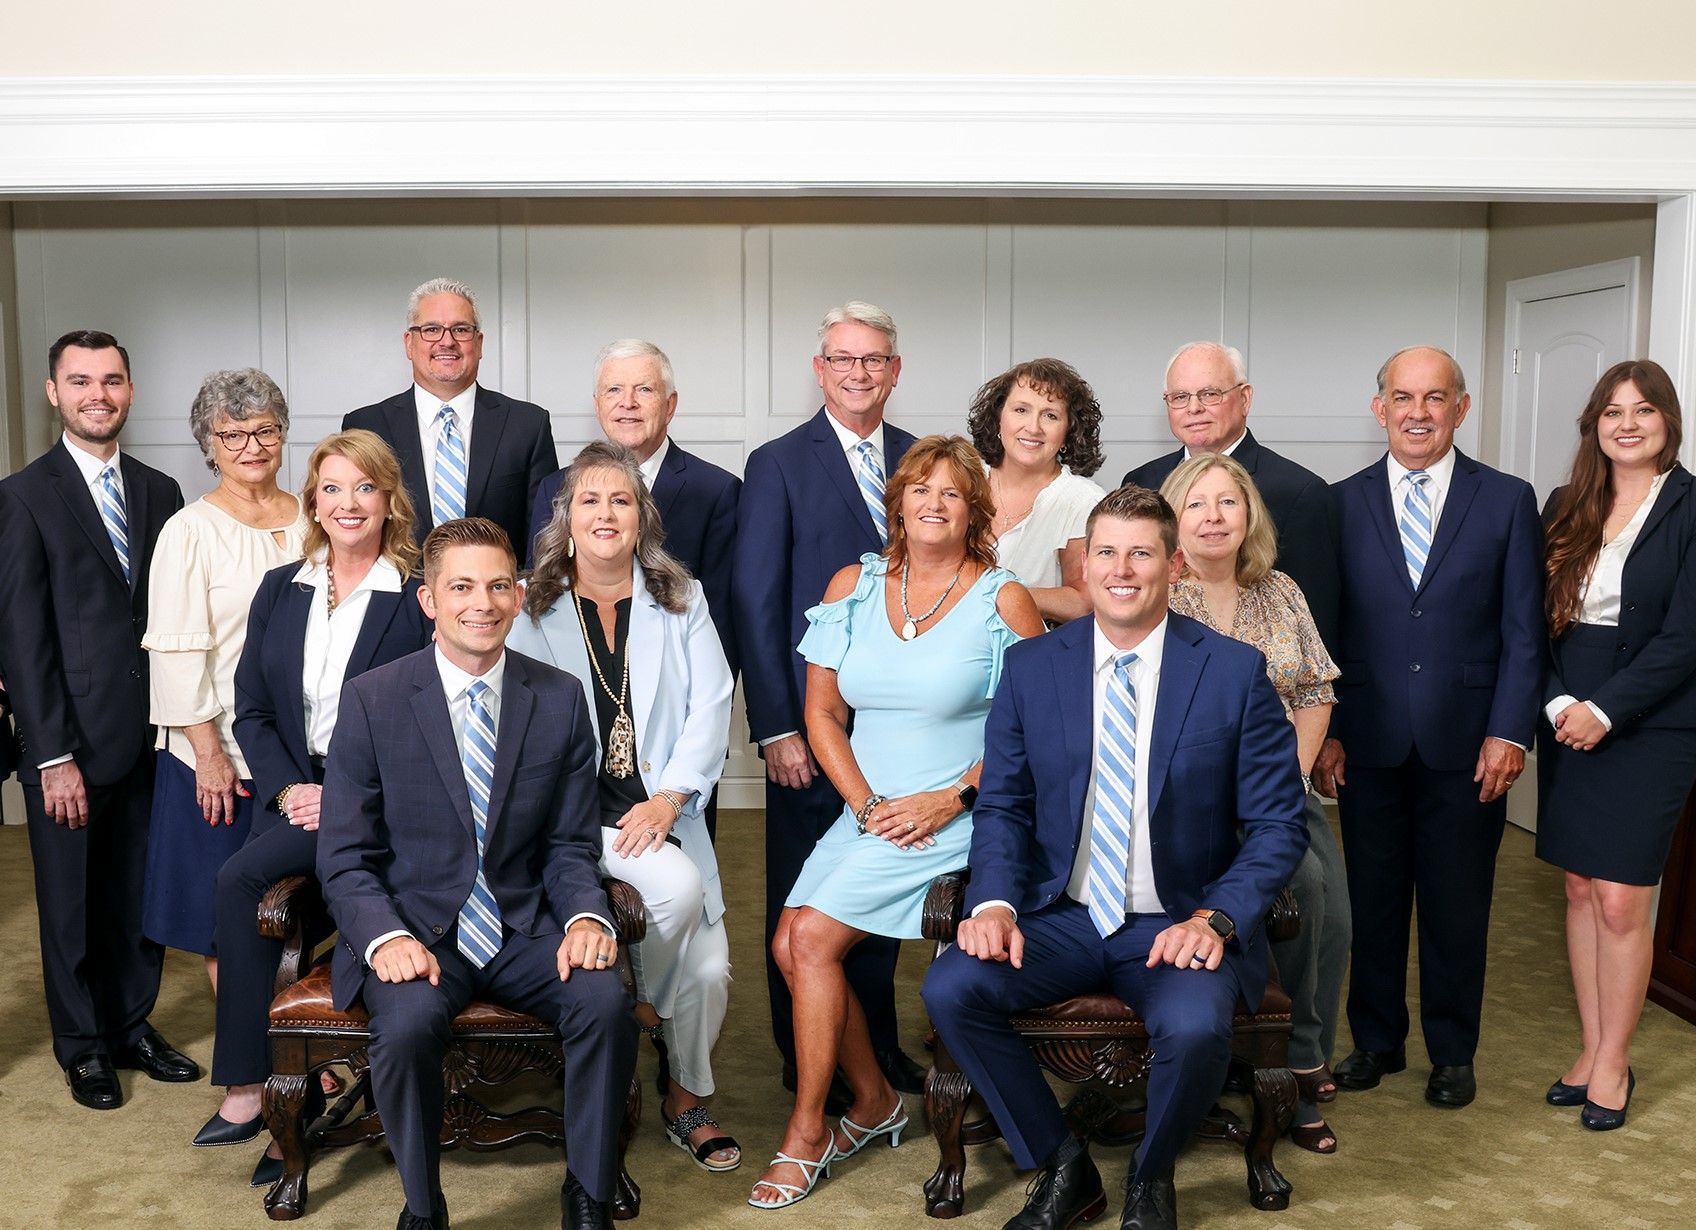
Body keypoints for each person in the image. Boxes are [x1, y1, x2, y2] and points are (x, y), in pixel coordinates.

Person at [922, 484, 1307, 1230]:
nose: (1121, 570)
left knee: (1195, 1028)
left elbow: (1277, 824)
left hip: (1175, 922)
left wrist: (1216, 920)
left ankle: (1150, 1177)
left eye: (1140, 553)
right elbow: (1004, 805)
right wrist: (994, 902)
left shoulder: (1232, 672)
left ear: (1173, 565)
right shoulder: (1033, 668)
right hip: (1059, 917)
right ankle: (1064, 1166)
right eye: (1105, 552)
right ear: (1085, 566)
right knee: (953, 988)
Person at [316, 517, 637, 1230]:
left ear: (518, 596)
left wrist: (586, 916)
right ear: (429, 600)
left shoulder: (558, 697)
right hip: (416, 929)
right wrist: (384, 938)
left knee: (604, 1000)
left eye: (497, 586)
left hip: (525, 924)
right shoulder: (372, 699)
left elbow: (568, 843)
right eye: (461, 587)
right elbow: (343, 856)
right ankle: (422, 1207)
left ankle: (589, 1191)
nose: (481, 604)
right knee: (406, 1025)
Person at [750, 435, 1044, 1209]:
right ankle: (877, 1100)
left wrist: (955, 798)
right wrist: (866, 806)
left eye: (951, 492)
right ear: (898, 504)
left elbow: (1040, 725)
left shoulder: (1003, 599)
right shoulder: (853, 585)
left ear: (973, 510)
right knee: (789, 944)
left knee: (809, 941)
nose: (934, 503)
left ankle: (807, 1131)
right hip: (868, 810)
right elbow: (822, 714)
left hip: (955, 815)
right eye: (920, 489)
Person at [194, 430, 433, 1187]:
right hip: (295, 794)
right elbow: (253, 707)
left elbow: (433, 719)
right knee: (240, 884)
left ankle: (286, 1087)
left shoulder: (417, 595)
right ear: (314, 502)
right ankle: (257, 1085)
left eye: (364, 487)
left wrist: (346, 796)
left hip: (383, 802)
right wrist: (288, 790)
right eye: (332, 488)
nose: (347, 503)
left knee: (264, 882)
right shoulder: (282, 588)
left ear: (389, 500)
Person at [1315, 346, 1542, 1110]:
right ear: (1380, 408)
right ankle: (1376, 1041)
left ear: (1461, 408)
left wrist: (1510, 731)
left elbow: (1524, 632)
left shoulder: (1507, 500)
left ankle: (1453, 1053)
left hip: (1469, 742)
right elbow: (1326, 628)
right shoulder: (1339, 503)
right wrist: (1329, 730)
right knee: (1372, 903)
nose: (1418, 413)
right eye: (1403, 398)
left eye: (1435, 398)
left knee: (1457, 907)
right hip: (1368, 739)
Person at [510, 441, 739, 1172]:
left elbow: (712, 704)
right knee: (677, 896)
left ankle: (684, 1096)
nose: (606, 513)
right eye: (590, 500)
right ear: (566, 516)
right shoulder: (526, 602)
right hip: (568, 819)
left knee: (711, 972)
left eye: (621, 500)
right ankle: (648, 1012)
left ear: (642, 516)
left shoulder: (683, 597)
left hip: (660, 811)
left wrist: (670, 798)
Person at [732, 301, 926, 1101]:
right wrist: (776, 726)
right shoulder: (777, 463)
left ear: (895, 370)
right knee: (804, 890)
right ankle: (804, 1055)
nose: (858, 372)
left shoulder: (922, 458)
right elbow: (755, 598)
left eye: (873, 358)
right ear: (820, 370)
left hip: (902, 722)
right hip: (812, 723)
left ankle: (877, 1049)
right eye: (843, 359)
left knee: (879, 885)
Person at [0, 330, 194, 1110]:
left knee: (138, 896)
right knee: (72, 903)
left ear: (130, 390)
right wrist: (50, 754)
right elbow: (22, 638)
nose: (98, 395)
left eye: (111, 380)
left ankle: (130, 1027)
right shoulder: (22, 496)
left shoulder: (159, 491)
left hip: (153, 734)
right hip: (70, 741)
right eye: (80, 381)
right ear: (54, 393)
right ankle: (82, 1047)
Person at [1159, 454, 1346, 1154]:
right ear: (1172, 520)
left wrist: (1287, 780)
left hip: (1281, 785)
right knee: (1300, 887)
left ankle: (1298, 1051)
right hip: (1193, 797)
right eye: (1196, 503)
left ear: (1249, 516)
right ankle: (1290, 1061)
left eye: (1227, 503)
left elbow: (1315, 691)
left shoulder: (1281, 591)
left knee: (1332, 916)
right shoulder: (1157, 595)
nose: (1213, 516)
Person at [1536, 360, 1696, 1131]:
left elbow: (1687, 636)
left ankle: (1614, 1060)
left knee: (1622, 896)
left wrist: (1607, 708)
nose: (1627, 424)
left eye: (1643, 410)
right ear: (1594, 425)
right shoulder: (1565, 504)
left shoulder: (1693, 507)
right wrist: (1559, 700)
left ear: (1668, 420)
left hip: (1654, 720)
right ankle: (1594, 1044)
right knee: (1578, 888)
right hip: (1569, 707)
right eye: (1612, 412)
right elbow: (1531, 617)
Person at [527, 339, 742, 841]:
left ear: (670, 404)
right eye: (613, 390)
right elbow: (543, 599)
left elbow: (726, 625)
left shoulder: (717, 489)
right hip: (577, 754)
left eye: (644, 389)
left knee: (679, 868)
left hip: (674, 733)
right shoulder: (553, 487)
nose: (627, 403)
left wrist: (694, 737)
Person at [142, 369, 307, 985]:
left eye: (265, 430)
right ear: (208, 445)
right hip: (221, 757)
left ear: (283, 434)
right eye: (232, 435)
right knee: (228, 922)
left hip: (302, 752)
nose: (251, 447)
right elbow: (176, 654)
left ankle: (291, 1036)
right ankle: (251, 1044)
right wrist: (209, 755)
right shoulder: (190, 531)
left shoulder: (318, 519)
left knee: (299, 911)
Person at [1125, 342, 1340, 648]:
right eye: (1180, 397)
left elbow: (1315, 631)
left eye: (1210, 394)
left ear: (1245, 398)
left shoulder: (1300, 492)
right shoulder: (1141, 483)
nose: (1194, 408)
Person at [344, 277, 558, 559]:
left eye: (461, 330)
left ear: (479, 344)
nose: (447, 341)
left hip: (497, 586)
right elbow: (352, 528)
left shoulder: (528, 425)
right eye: (431, 329)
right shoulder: (365, 426)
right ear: (409, 344)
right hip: (397, 585)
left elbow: (544, 538)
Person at [965, 358, 1107, 624]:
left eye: (1050, 415)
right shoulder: (963, 479)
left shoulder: (1083, 500)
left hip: (1033, 644)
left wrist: (1000, 596)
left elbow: (1084, 601)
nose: (1033, 427)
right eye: (1021, 410)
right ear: (998, 418)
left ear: (1069, 432)